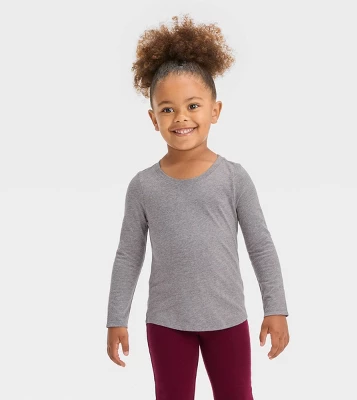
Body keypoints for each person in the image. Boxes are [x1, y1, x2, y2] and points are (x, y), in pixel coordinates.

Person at [106, 13, 290, 400]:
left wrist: (276, 308)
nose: (181, 117)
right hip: (166, 322)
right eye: (167, 109)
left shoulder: (234, 178)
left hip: (227, 318)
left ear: (215, 110)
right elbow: (128, 255)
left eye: (193, 105)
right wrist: (115, 318)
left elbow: (260, 245)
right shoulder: (143, 186)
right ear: (153, 119)